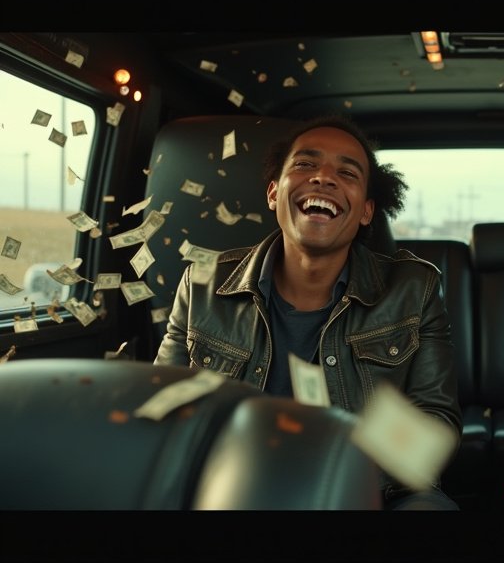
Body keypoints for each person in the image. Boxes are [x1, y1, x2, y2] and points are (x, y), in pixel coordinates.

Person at [154, 115, 462, 510]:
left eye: (347, 172)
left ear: (367, 211)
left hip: (379, 493)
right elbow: (163, 410)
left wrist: (336, 458)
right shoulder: (202, 285)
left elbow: (434, 426)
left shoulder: (414, 289)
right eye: (305, 164)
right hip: (233, 486)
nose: (323, 178)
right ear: (273, 193)